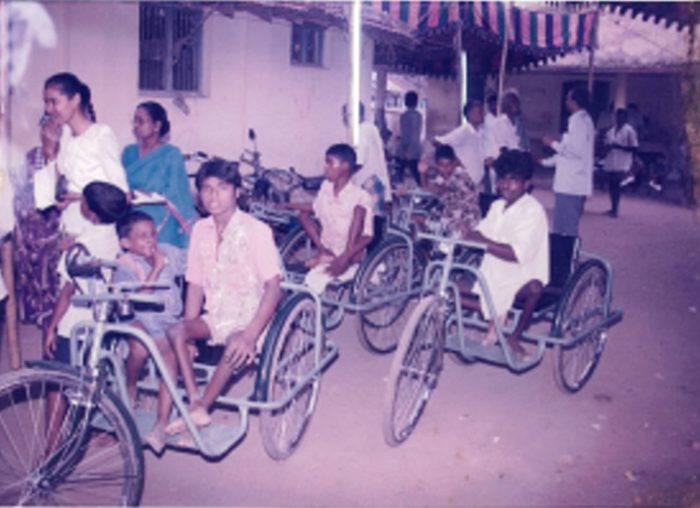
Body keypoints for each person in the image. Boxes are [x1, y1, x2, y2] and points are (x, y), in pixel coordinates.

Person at [164, 159, 282, 442]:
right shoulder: (200, 231)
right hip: (217, 313)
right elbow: (194, 283)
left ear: (237, 191)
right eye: (206, 189)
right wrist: (191, 334)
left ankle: (202, 407)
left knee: (234, 343)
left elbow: (273, 287)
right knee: (176, 331)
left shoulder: (256, 231)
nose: (213, 196)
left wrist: (250, 334)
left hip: (254, 316)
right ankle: (196, 402)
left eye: (222, 187)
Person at [43, 181, 129, 452]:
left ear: (88, 210)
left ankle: (50, 448)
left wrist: (52, 326)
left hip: (73, 326)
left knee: (57, 384)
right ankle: (83, 431)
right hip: (101, 325)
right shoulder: (115, 239)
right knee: (87, 381)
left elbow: (67, 292)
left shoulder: (80, 246)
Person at [113, 210, 185, 453]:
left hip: (167, 323)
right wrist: (155, 269)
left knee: (169, 356)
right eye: (142, 237)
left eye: (152, 234)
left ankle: (161, 423)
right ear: (126, 243)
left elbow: (194, 263)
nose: (151, 241)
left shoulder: (168, 252)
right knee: (139, 345)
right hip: (137, 318)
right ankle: (130, 385)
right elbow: (135, 301)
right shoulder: (124, 264)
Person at [466, 149, 549, 358]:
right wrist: (466, 233)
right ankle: (494, 322)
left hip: (523, 272)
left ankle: (515, 336)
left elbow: (516, 255)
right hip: (494, 270)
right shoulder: (497, 206)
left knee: (535, 288)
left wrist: (482, 240)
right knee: (448, 285)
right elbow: (481, 231)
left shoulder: (533, 211)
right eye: (502, 179)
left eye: (514, 180)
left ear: (527, 184)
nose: (505, 185)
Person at [33, 72, 129, 242]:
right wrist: (50, 153)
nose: (48, 110)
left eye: (54, 102)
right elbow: (51, 190)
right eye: (46, 103)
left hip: (97, 231)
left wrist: (78, 197)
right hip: (70, 227)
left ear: (75, 100)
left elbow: (122, 195)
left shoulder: (100, 135)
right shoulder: (65, 136)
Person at [282, 144, 374, 294]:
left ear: (344, 167)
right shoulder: (326, 187)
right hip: (328, 246)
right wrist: (287, 205)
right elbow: (315, 206)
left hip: (350, 251)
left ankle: (324, 262)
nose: (326, 168)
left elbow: (366, 236)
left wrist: (345, 257)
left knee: (358, 211)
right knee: (302, 216)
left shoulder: (360, 197)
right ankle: (322, 254)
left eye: (330, 163)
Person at [122, 102, 196, 250]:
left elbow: (178, 194)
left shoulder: (171, 155)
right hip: (133, 223)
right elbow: (119, 184)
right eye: (134, 121)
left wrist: (151, 195)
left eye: (141, 121)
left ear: (157, 126)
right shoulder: (128, 153)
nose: (136, 125)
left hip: (163, 224)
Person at [12, 115, 62, 328]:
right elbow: (20, 194)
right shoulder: (31, 157)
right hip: (33, 232)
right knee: (36, 287)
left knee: (57, 286)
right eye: (45, 128)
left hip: (57, 230)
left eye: (55, 128)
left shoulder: (68, 158)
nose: (49, 133)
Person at [542, 86, 595, 237]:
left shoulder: (579, 122)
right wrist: (547, 161)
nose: (566, 102)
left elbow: (574, 151)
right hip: (571, 182)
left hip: (571, 184)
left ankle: (567, 259)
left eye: (568, 99)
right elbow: (569, 151)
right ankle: (565, 258)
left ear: (574, 101)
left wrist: (551, 143)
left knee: (566, 228)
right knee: (562, 227)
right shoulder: (581, 121)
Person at [417, 144, 481, 239]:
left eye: (448, 165)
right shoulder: (444, 176)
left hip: (464, 222)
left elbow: (435, 190)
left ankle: (425, 251)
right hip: (454, 216)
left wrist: (422, 173)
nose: (444, 169)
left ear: (454, 163)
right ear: (436, 164)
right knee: (426, 215)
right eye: (441, 165)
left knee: (417, 218)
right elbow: (428, 188)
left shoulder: (459, 175)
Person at [343, 103, 392, 213]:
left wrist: (340, 174)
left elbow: (359, 162)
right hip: (375, 181)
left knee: (367, 223)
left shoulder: (361, 131)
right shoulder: (370, 127)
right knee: (373, 221)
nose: (344, 118)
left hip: (369, 183)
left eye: (346, 115)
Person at [434, 100, 486, 190]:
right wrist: (456, 161)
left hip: (475, 183)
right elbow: (438, 142)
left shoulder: (481, 132)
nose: (482, 114)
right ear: (470, 114)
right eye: (479, 111)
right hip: (462, 181)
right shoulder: (463, 131)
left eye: (482, 111)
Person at [483, 90, 522, 195]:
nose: (515, 106)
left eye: (516, 102)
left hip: (512, 166)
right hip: (502, 166)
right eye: (511, 103)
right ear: (506, 105)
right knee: (501, 196)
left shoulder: (513, 124)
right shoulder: (500, 123)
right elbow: (503, 149)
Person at [602, 108, 638, 217]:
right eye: (617, 116)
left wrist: (619, 147)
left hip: (623, 162)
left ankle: (616, 209)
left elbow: (634, 148)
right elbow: (606, 145)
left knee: (617, 185)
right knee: (611, 185)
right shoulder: (610, 131)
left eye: (621, 116)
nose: (619, 118)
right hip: (611, 161)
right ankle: (612, 207)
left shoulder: (629, 131)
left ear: (626, 117)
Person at [396, 91, 423, 186]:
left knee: (399, 174)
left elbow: (408, 135)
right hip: (416, 149)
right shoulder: (419, 116)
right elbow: (415, 134)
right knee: (416, 173)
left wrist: (407, 151)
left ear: (406, 101)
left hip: (405, 149)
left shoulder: (405, 116)